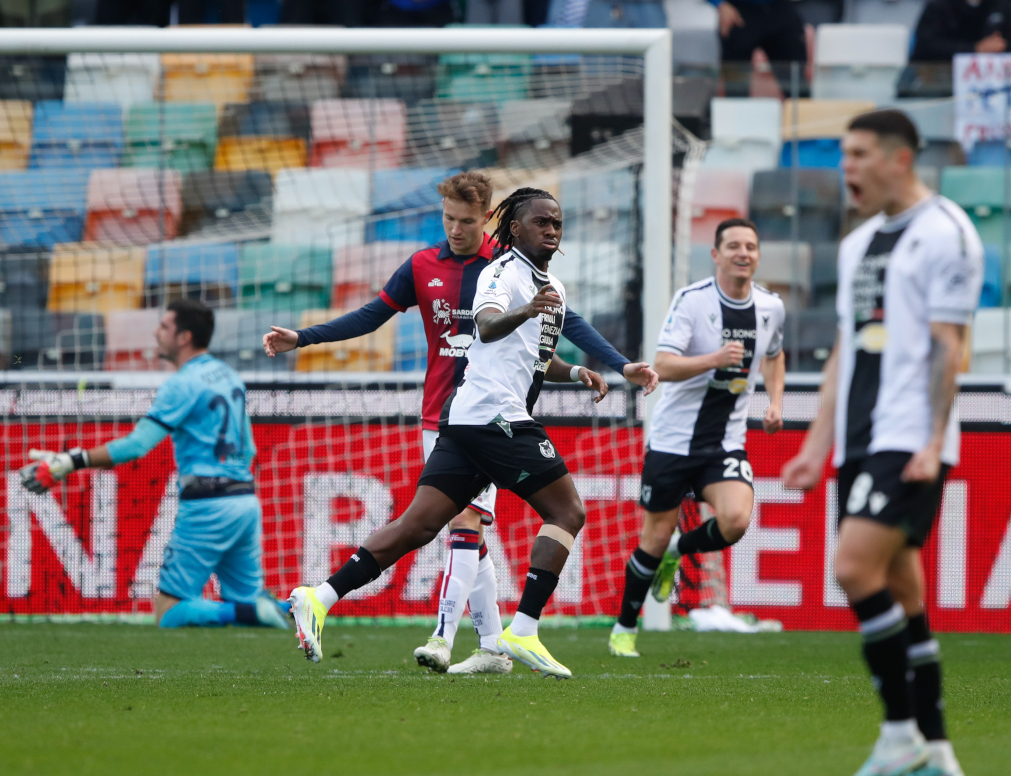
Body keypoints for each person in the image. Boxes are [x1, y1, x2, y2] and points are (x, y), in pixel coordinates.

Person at [264, 172, 640, 674]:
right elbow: (478, 326)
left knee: (421, 525)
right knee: (566, 511)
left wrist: (591, 368)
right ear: (512, 226)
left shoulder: (546, 284)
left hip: (464, 417)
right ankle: (511, 632)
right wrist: (305, 337)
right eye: (541, 222)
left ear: (485, 219)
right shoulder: (495, 273)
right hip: (489, 416)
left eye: (558, 223)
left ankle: (321, 596)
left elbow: (537, 349)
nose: (552, 230)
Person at [781, 110, 982, 776]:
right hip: (859, 442)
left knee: (851, 568)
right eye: (844, 154)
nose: (849, 166)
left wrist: (932, 441)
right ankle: (940, 752)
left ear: (900, 159)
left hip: (908, 439)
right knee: (902, 588)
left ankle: (898, 735)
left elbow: (951, 347)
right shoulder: (858, 241)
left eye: (860, 154)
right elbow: (846, 347)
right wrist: (816, 443)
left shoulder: (947, 233)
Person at [20, 300, 291, 631]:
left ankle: (255, 611)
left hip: (208, 504)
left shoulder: (181, 384)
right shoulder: (229, 376)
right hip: (244, 501)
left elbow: (137, 445)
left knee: (169, 613)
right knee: (249, 603)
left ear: (183, 337)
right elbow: (248, 448)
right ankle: (292, 607)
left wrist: (71, 460)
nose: (155, 332)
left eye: (164, 326)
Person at [607, 217, 785, 658]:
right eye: (734, 246)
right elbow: (662, 366)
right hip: (672, 440)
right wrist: (714, 358)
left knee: (736, 521)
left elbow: (775, 357)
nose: (744, 253)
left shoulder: (771, 307)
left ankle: (679, 550)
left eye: (751, 245)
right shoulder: (691, 301)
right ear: (716, 254)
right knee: (651, 536)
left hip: (725, 442)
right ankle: (624, 629)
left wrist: (775, 401)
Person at [911, 0, 1011, 62]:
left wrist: (1000, 45)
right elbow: (925, 47)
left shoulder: (1000, 5)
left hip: (989, 80)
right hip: (939, 80)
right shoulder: (938, 5)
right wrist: (975, 49)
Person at [710, 0, 807, 66]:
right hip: (737, 11)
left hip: (780, 8)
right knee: (735, 83)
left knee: (796, 80)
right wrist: (720, 4)